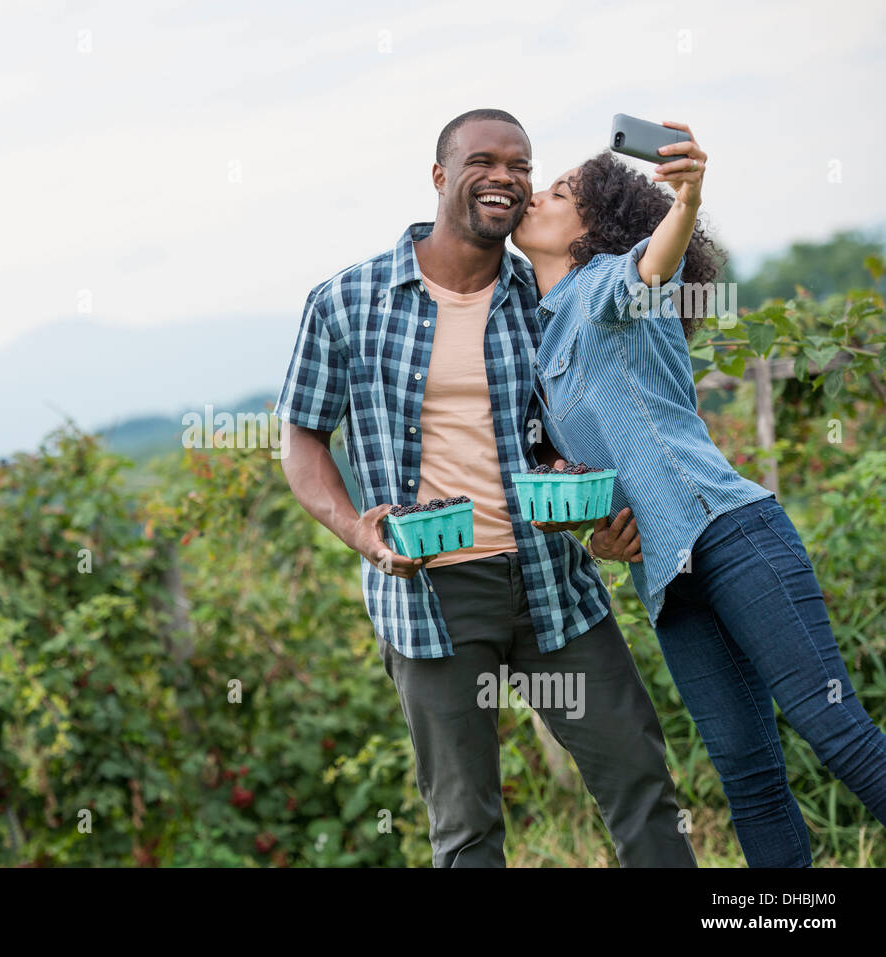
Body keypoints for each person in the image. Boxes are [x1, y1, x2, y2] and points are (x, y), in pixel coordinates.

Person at [273, 108, 696, 867]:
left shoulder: (548, 296)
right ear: (440, 176)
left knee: (640, 783)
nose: (506, 176)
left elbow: (586, 424)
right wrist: (357, 530)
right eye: (484, 160)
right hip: (431, 599)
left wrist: (600, 515)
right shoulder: (346, 303)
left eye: (521, 165)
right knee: (466, 828)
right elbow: (300, 436)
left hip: (553, 584)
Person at [511, 121, 886, 867]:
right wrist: (596, 534)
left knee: (836, 732)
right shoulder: (542, 338)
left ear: (595, 231)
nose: (537, 195)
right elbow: (594, 476)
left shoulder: (610, 290)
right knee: (748, 778)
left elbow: (653, 266)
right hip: (669, 583)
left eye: (559, 192)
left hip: (733, 537)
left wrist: (686, 198)